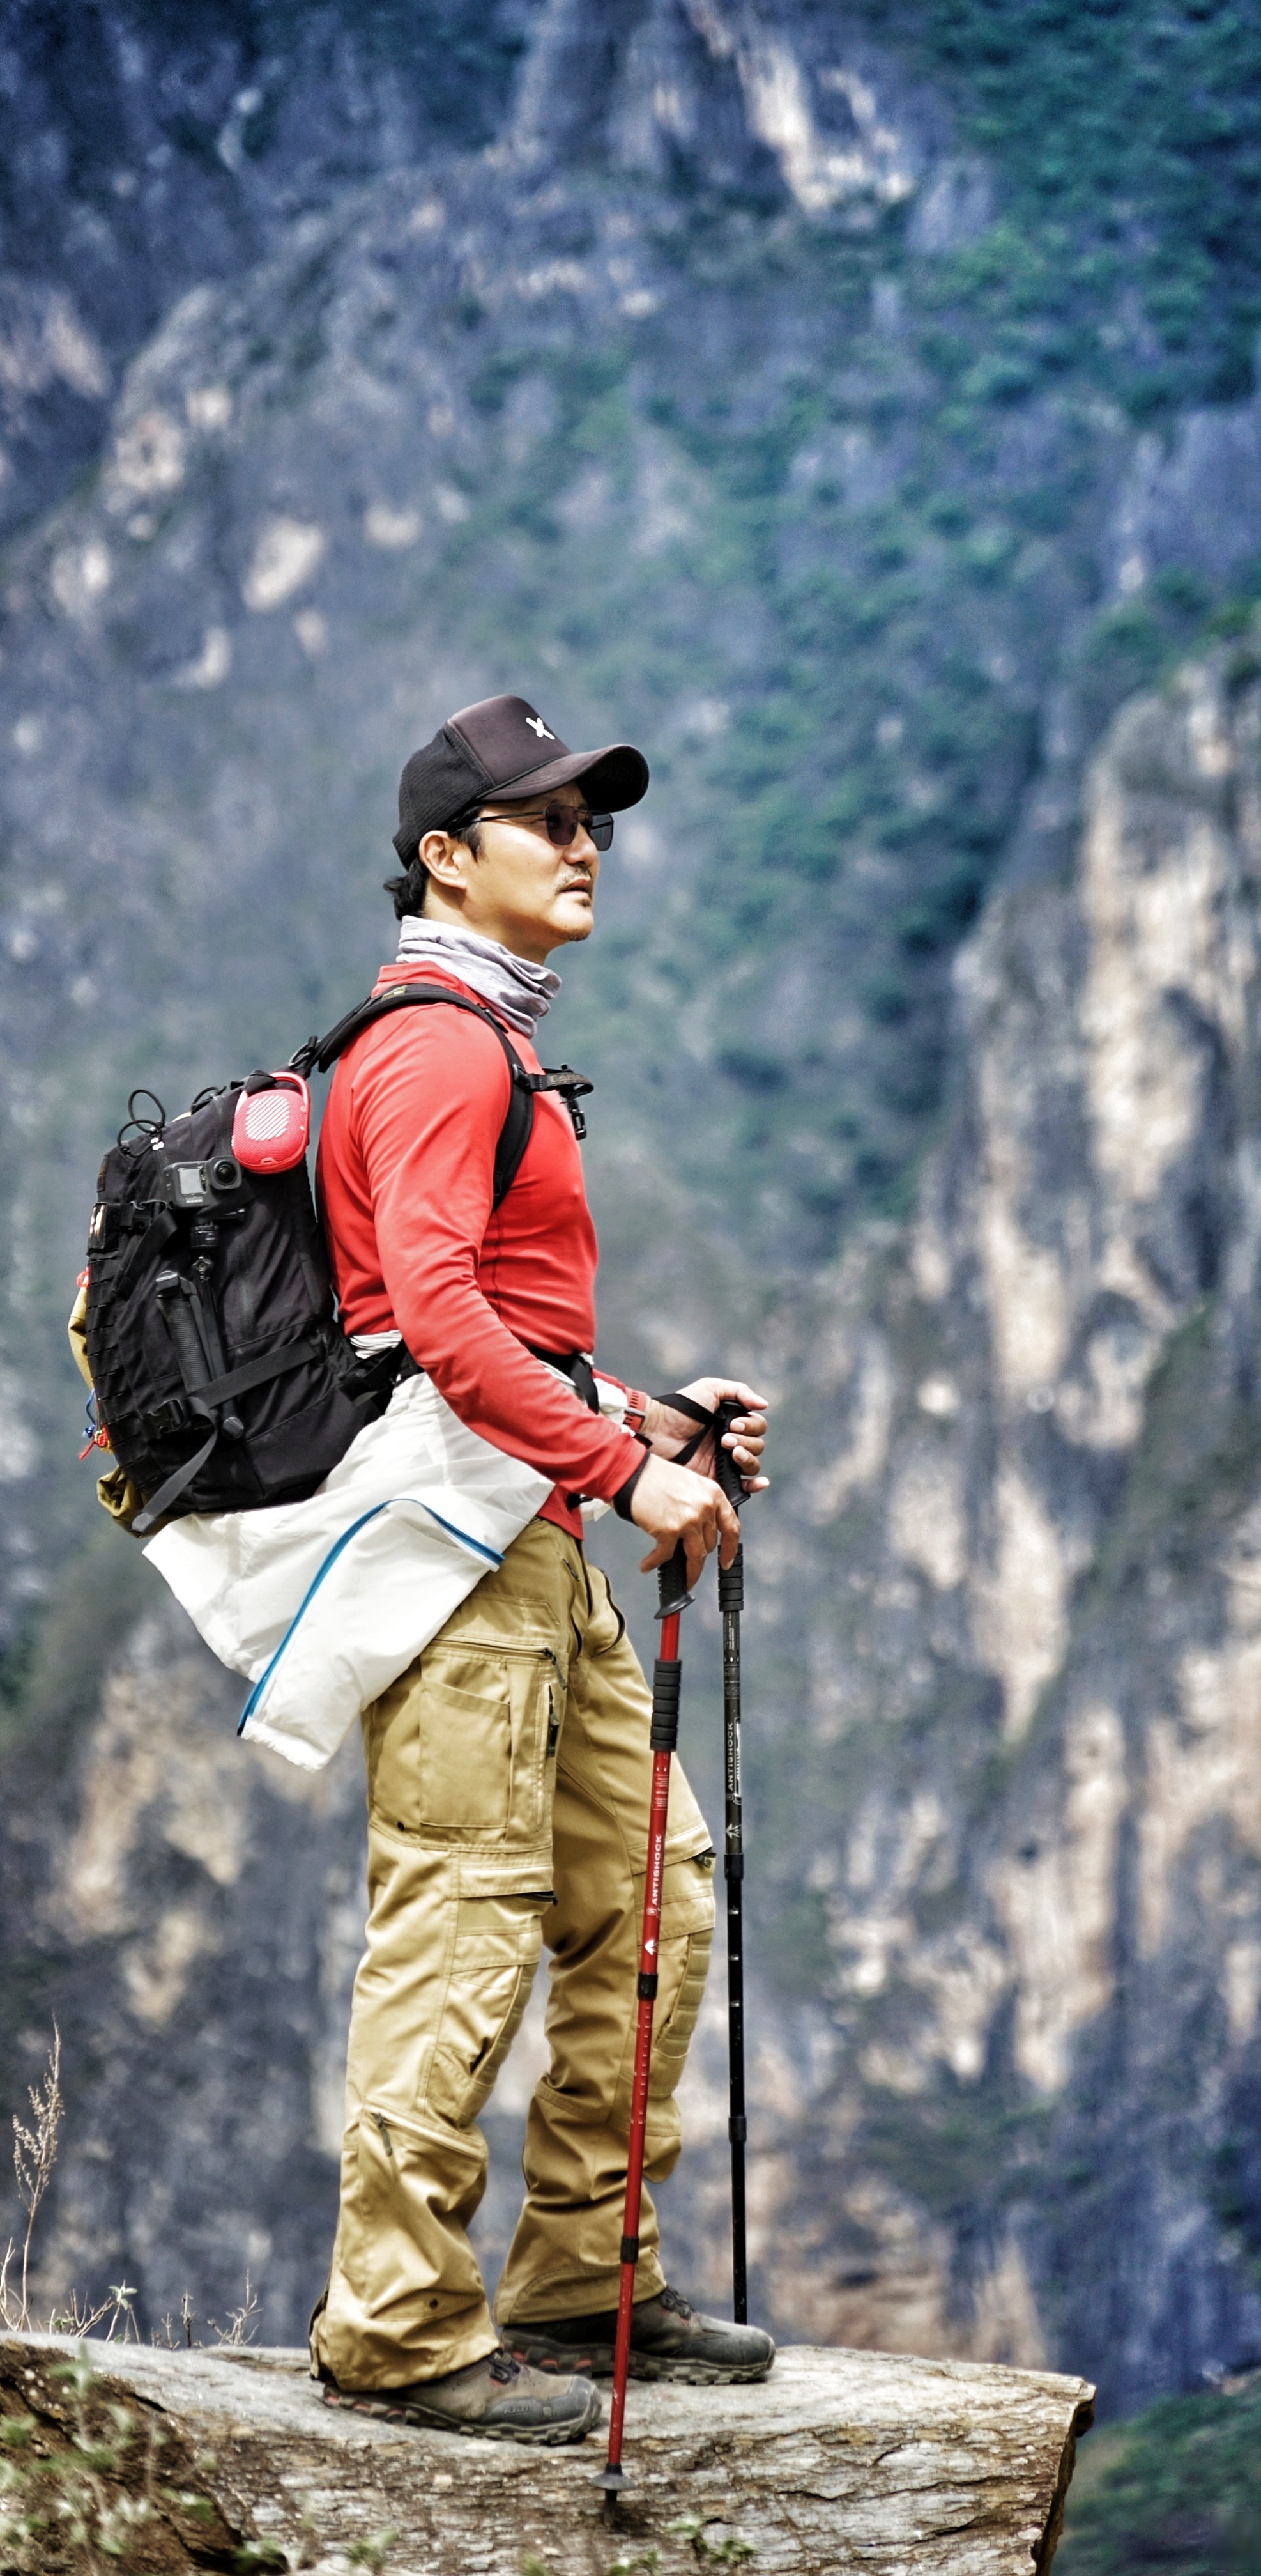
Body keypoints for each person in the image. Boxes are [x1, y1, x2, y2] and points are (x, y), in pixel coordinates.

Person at [309, 693, 775, 2442]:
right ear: (448, 856)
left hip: (532, 1538)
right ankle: (399, 2328)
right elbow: (429, 1321)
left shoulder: (489, 1044)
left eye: (595, 822)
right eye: (545, 822)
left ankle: (583, 2283)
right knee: (465, 1915)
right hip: (455, 1556)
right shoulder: (436, 1048)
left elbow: (496, 1329)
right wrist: (618, 1470)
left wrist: (653, 1423)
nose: (585, 848)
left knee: (652, 1890)